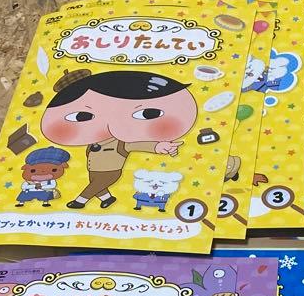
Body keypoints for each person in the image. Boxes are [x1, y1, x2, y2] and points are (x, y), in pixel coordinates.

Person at [40, 69, 198, 210]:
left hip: (111, 170)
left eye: (148, 113)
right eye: (81, 116)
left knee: (94, 186)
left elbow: (137, 145)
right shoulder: (95, 139)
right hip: (93, 169)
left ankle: (80, 201)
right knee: (98, 186)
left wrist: (157, 147)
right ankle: (107, 199)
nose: (112, 124)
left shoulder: (121, 141)